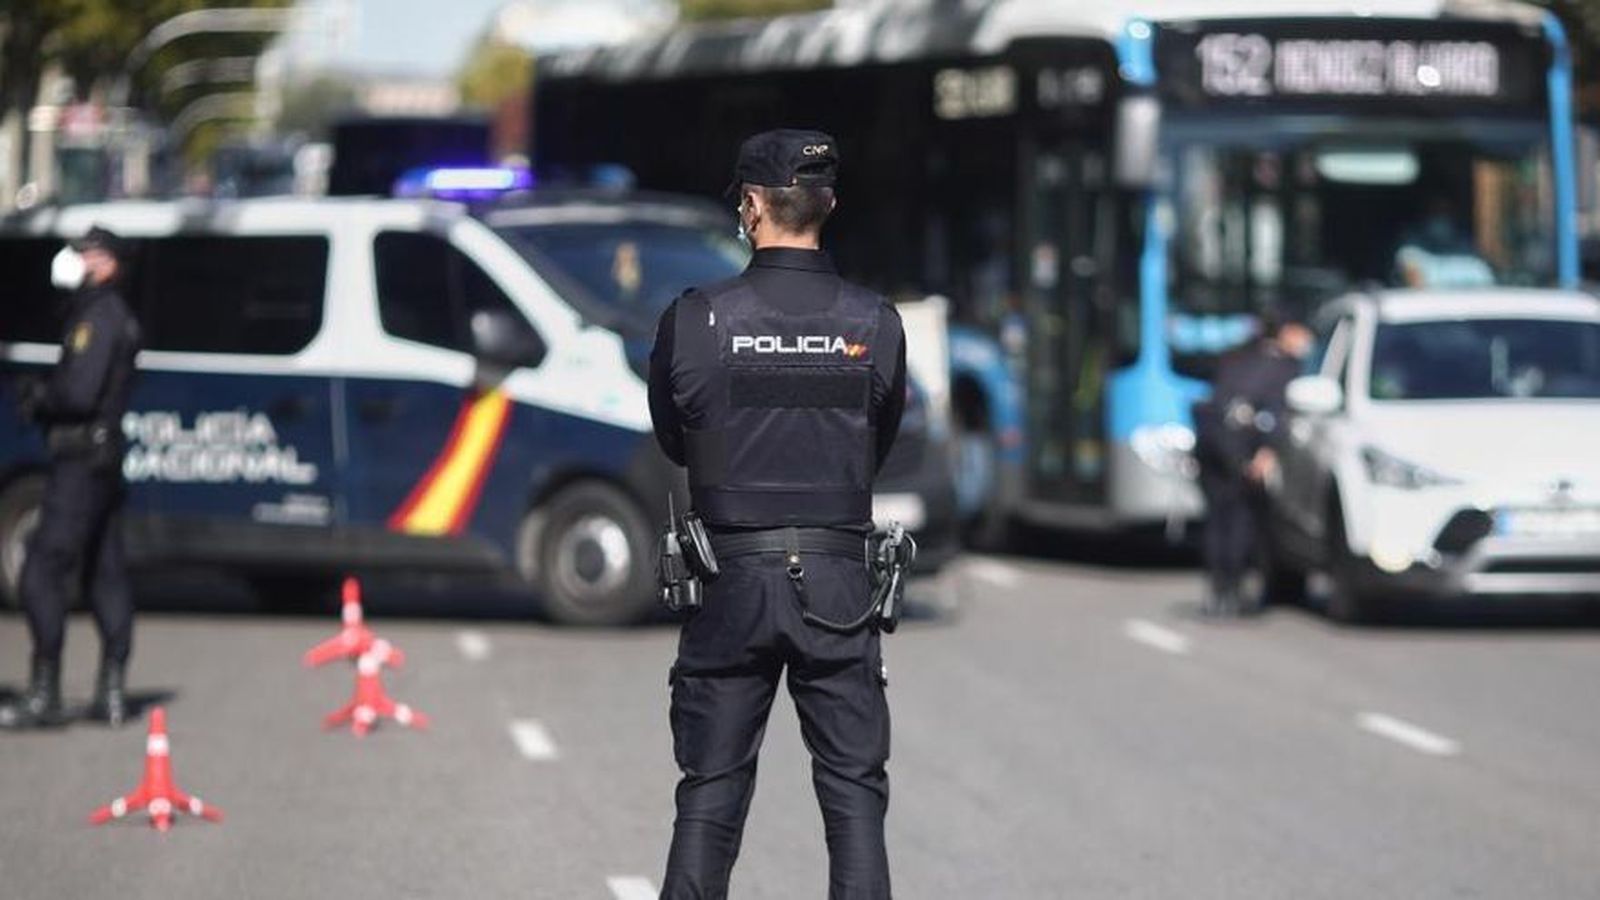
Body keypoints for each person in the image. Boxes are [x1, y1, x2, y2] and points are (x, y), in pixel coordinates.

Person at [648, 129, 907, 899]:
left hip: (728, 579)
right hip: (837, 583)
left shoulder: (696, 318)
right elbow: (877, 444)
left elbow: (675, 437)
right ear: (827, 204)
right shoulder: (875, 322)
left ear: (753, 205)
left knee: (711, 793)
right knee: (855, 796)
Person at [1, 226, 142, 730]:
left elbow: (79, 394)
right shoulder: (108, 314)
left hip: (81, 461)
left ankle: (45, 692)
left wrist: (41, 397)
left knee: (42, 568)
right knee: (105, 571)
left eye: (85, 253)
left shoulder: (97, 318)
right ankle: (111, 692)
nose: (73, 260)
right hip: (101, 459)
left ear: (106, 265)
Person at [1191, 312, 1311, 617]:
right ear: (1286, 331)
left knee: (1219, 519)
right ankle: (1231, 590)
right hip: (1240, 448)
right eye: (1302, 331)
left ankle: (1217, 592)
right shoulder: (1284, 366)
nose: (1307, 340)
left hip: (1211, 442)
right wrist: (1266, 452)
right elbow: (1275, 413)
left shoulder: (1237, 356)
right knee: (1241, 519)